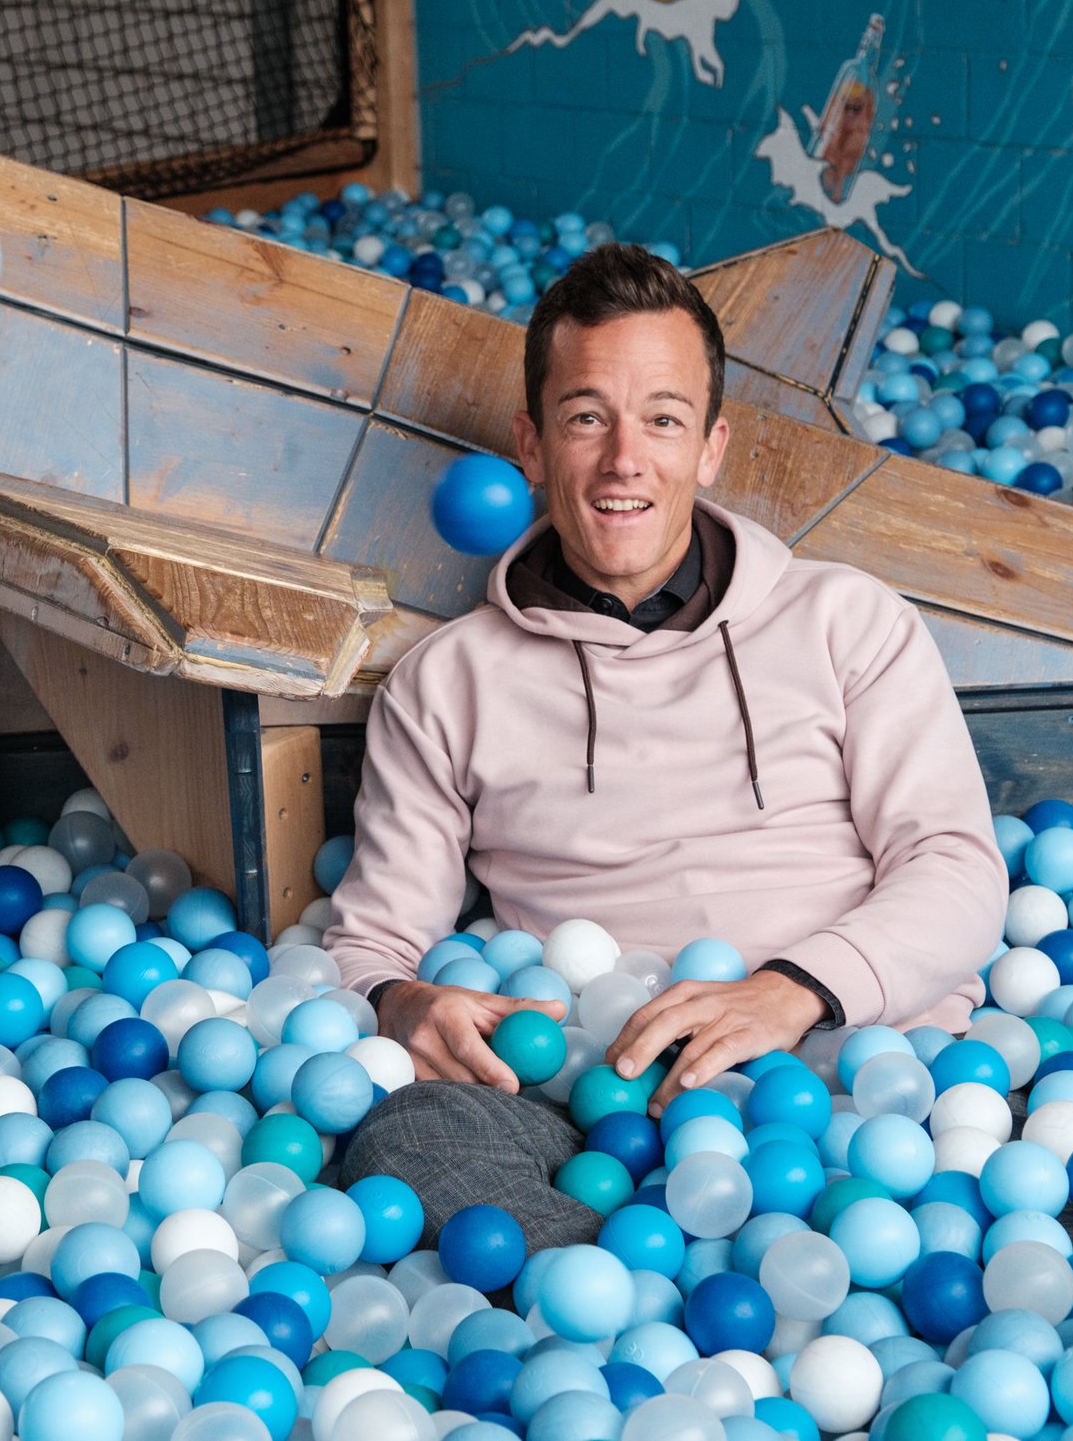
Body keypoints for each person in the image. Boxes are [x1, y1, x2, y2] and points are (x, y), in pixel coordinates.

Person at [322, 244, 1004, 1249]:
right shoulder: (446, 680)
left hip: (868, 1071)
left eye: (663, 419)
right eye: (586, 417)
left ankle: (693, 1283)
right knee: (408, 1140)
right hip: (596, 1102)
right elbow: (373, 943)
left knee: (1000, 1191)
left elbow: (957, 866)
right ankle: (646, 1288)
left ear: (712, 446)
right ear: (531, 446)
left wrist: (790, 991)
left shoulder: (846, 619)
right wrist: (400, 1001)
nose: (624, 459)